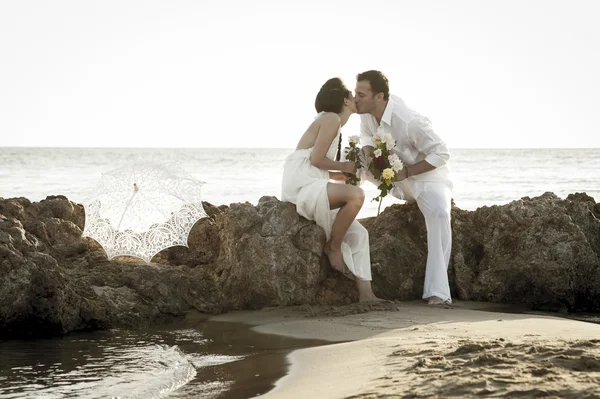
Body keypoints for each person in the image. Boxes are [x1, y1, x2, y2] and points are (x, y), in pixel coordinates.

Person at [355, 70, 453, 305]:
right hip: (394, 178)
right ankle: (338, 222)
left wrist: (408, 172)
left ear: (379, 97)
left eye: (361, 94)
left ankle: (438, 292)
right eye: (355, 93)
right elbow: (366, 139)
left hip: (428, 178)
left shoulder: (409, 122)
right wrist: (371, 160)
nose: (355, 99)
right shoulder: (367, 114)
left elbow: (442, 153)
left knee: (440, 214)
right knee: (356, 164)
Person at [281, 77, 382, 302]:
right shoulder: (331, 118)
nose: (356, 99)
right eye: (352, 96)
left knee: (359, 233)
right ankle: (333, 247)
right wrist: (344, 166)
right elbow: (316, 160)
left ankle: (367, 294)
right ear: (345, 100)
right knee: (356, 196)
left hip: (310, 181)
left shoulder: (333, 123)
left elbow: (319, 167)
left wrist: (346, 173)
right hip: (300, 186)